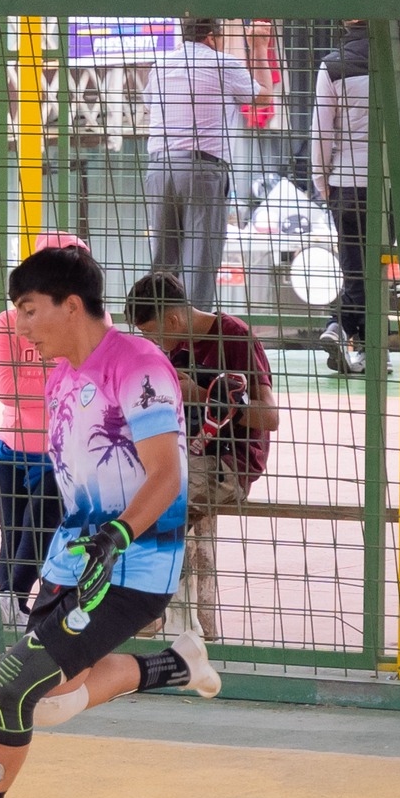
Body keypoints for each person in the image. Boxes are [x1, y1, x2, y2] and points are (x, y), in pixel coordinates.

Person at [0, 245, 221, 798]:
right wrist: (59, 559)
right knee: (47, 701)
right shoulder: (62, 376)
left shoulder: (138, 365)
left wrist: (118, 536)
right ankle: (176, 664)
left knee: (14, 685)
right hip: (74, 559)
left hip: (133, 563)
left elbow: (166, 474)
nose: (19, 325)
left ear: (71, 306)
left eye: (29, 309)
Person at [124, 270, 280, 642]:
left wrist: (202, 396)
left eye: (151, 332)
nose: (151, 342)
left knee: (156, 505)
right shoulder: (174, 348)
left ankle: (153, 608)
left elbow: (270, 417)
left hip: (229, 462)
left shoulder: (235, 337)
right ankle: (161, 610)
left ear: (172, 320)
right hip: (183, 455)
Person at [0, 234, 81, 630]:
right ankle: (10, 603)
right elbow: (5, 389)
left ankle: (11, 599)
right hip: (11, 449)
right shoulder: (7, 322)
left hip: (63, 454)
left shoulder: (91, 321)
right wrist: (57, 384)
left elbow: (84, 389)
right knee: (14, 533)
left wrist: (48, 388)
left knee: (40, 527)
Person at [146, 17, 274, 310]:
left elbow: (151, 105)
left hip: (159, 168)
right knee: (199, 263)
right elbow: (264, 95)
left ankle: (157, 329)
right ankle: (192, 331)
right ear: (211, 36)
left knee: (163, 261)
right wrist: (258, 47)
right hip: (203, 170)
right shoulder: (223, 64)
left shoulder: (160, 66)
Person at [314, 19, 371, 376]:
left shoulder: (332, 65)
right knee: (378, 269)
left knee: (354, 268)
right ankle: (365, 346)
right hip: (394, 184)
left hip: (347, 182)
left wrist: (323, 182)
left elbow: (321, 131)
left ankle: (341, 326)